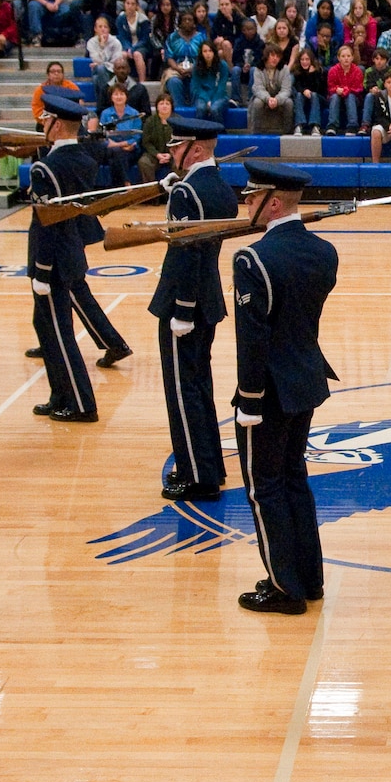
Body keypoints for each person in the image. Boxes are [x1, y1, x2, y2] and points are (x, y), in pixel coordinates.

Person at [232, 162, 341, 615]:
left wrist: (250, 399)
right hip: (307, 379)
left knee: (265, 488)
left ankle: (283, 586)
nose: (245, 202)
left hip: (269, 391)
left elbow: (252, 336)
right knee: (295, 478)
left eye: (251, 196)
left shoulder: (252, 259)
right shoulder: (325, 252)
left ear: (272, 202)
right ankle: (308, 577)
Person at [154, 116, 239, 503]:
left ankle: (196, 477)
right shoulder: (219, 185)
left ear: (196, 150)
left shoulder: (187, 193)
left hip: (184, 304)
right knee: (199, 385)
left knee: (183, 390)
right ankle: (209, 465)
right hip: (208, 299)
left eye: (178, 146)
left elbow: (186, 253)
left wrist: (182, 311)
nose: (172, 152)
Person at [27, 95, 107, 423]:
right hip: (72, 252)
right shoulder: (83, 159)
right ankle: (59, 394)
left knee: (58, 334)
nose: (41, 124)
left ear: (56, 124)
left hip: (53, 261)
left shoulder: (45, 168)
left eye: (46, 119)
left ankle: (81, 402)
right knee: (46, 327)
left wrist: (42, 273)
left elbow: (49, 223)